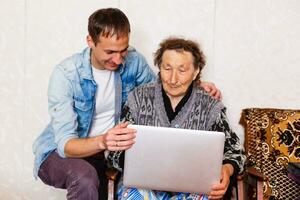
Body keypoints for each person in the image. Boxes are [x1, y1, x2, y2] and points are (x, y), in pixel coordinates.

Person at [32, 8, 221, 200]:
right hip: (60, 152)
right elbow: (66, 144)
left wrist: (194, 84)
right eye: (110, 52)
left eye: (122, 51)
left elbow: (161, 87)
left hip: (105, 153)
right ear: (90, 41)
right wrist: (103, 141)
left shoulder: (133, 61)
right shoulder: (66, 74)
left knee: (122, 187)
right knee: (85, 178)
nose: (118, 59)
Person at [108, 37, 246, 200]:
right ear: (159, 67)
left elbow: (236, 152)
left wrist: (227, 170)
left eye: (182, 70)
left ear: (195, 72)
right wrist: (134, 164)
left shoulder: (209, 105)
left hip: (193, 189)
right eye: (167, 68)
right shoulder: (138, 98)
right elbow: (114, 151)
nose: (173, 79)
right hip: (144, 188)